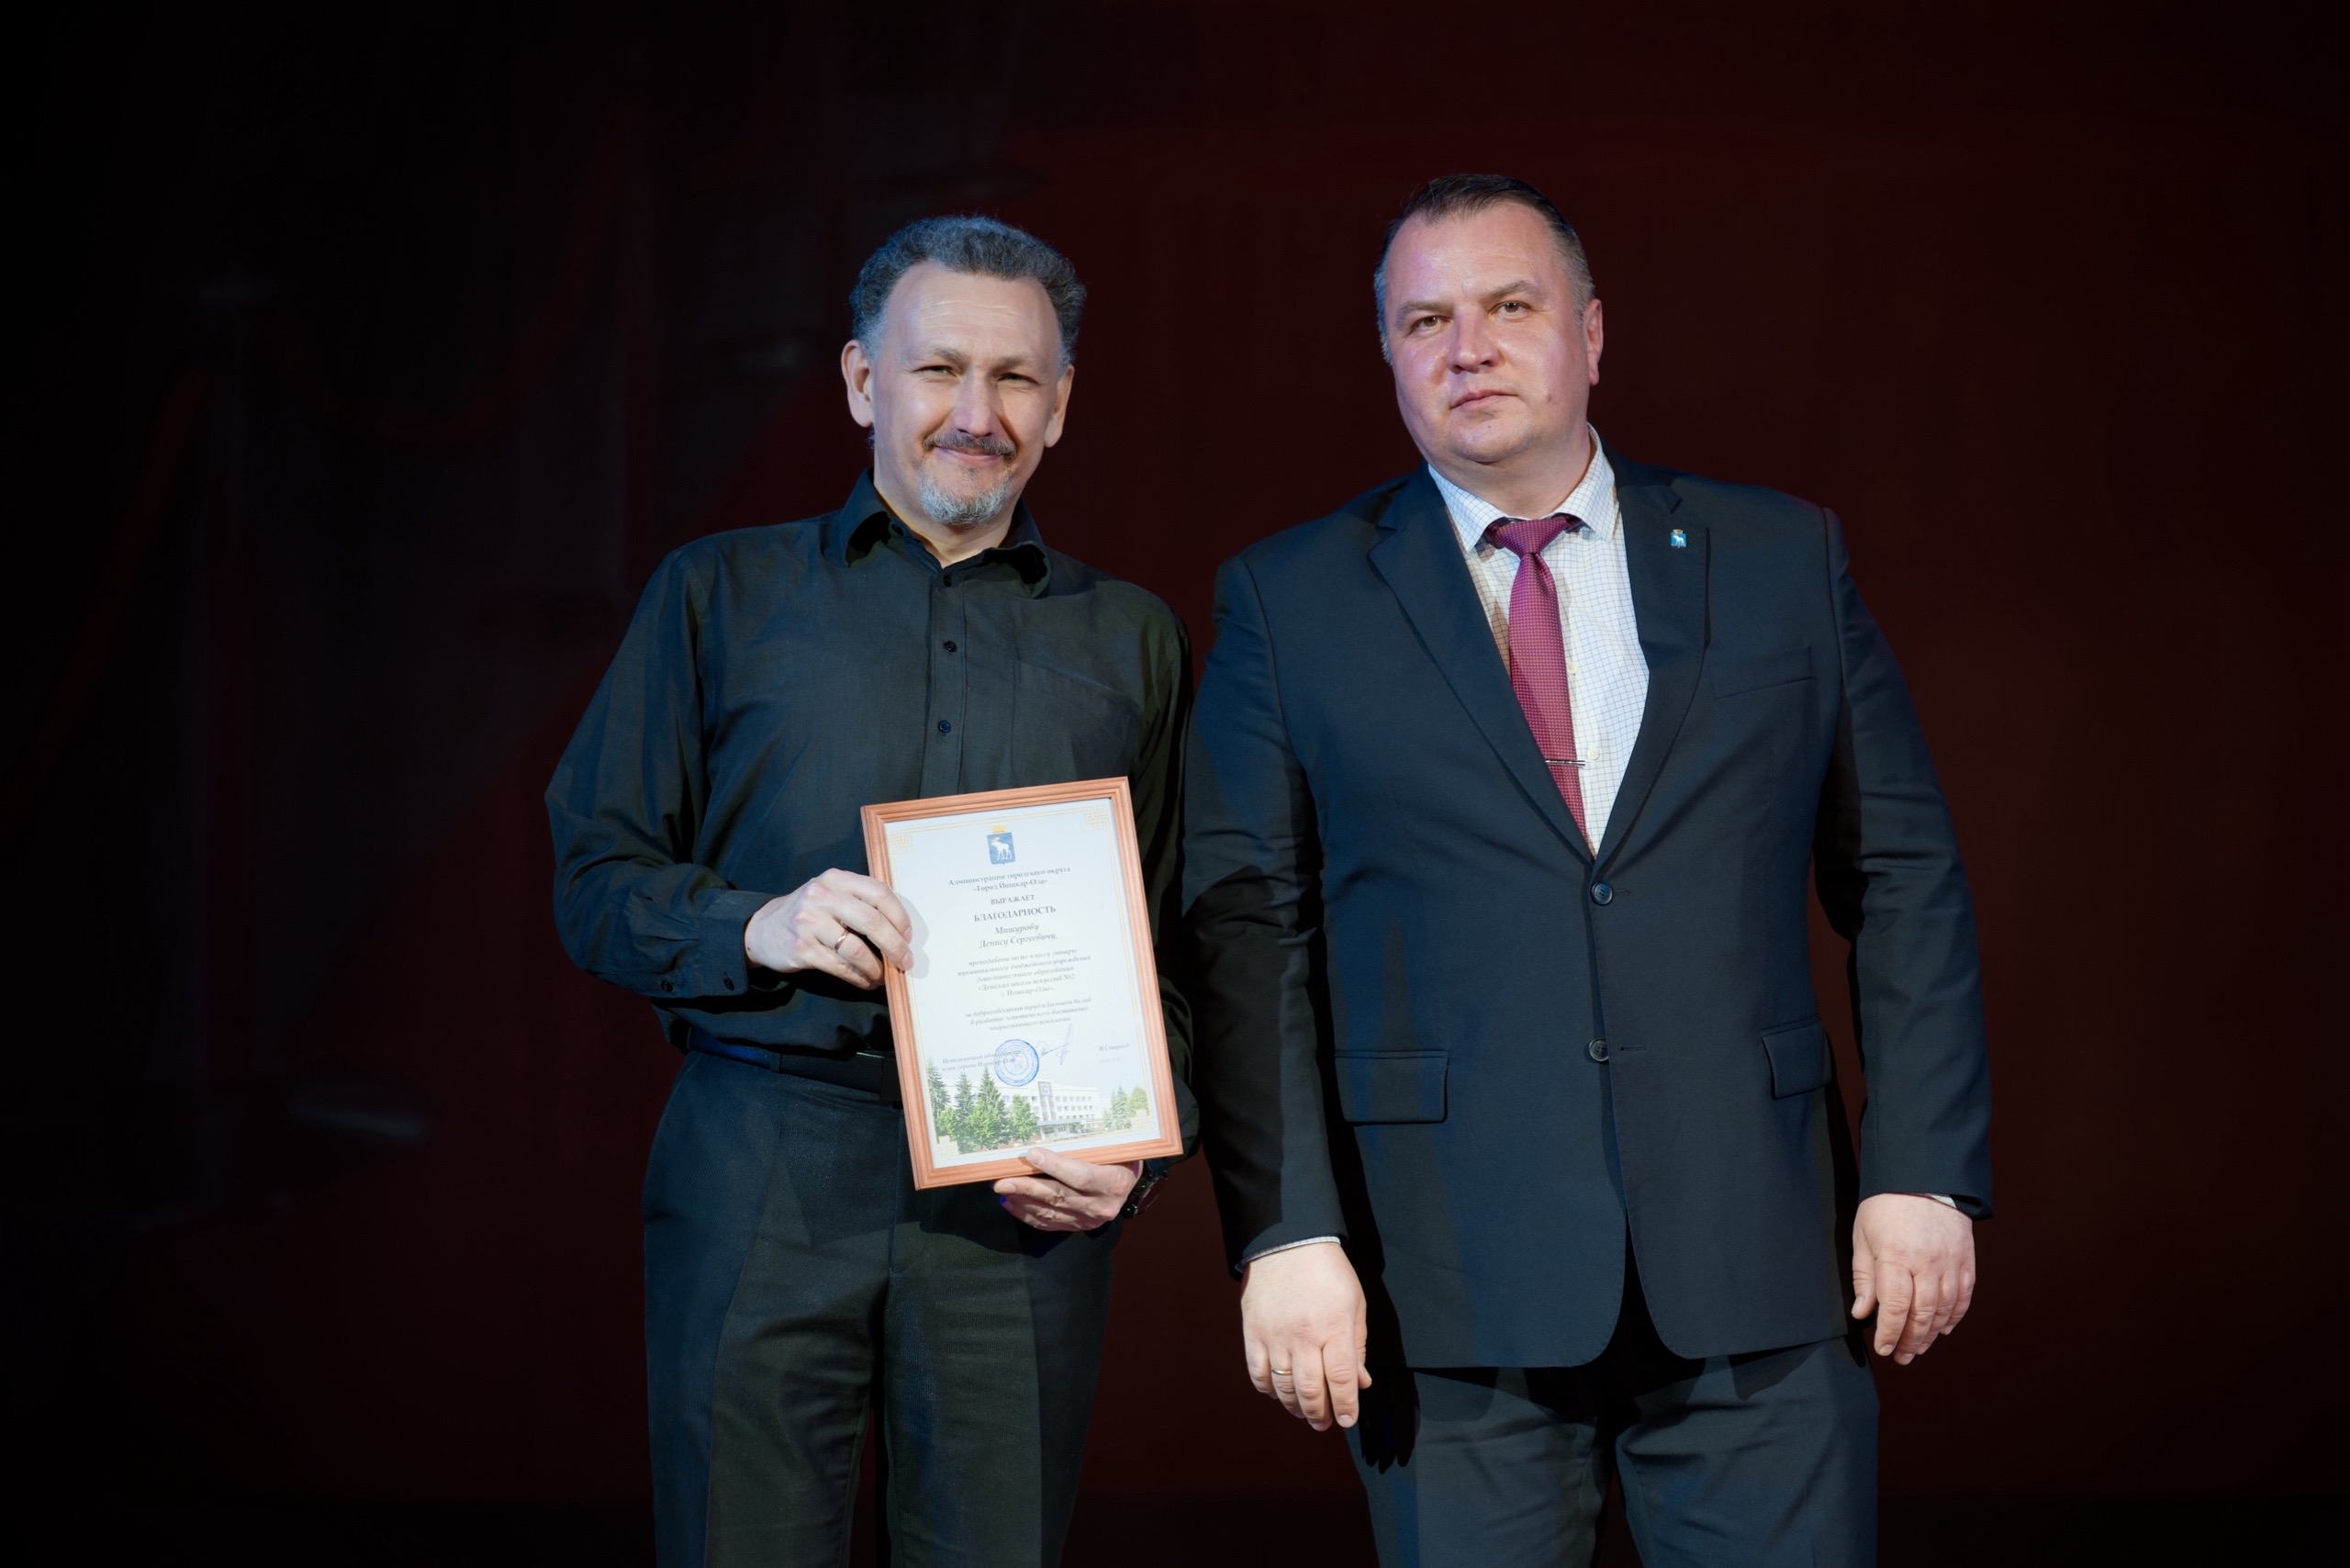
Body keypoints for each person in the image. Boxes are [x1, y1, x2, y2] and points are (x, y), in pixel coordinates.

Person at [1181, 174, 1991, 1566]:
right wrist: (1285, 1230)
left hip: (1758, 1255)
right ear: (1388, 355)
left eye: (1510, 306)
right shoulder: (1289, 597)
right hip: (1442, 1284)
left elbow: (1903, 872)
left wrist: (1923, 1168)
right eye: (1424, 321)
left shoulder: (1780, 554)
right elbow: (1249, 931)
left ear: (1593, 333)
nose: (1468, 349)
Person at [547, 215, 1191, 1567]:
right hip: (765, 1156)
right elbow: (595, 878)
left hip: (1022, 1189)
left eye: (1015, 378)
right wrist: (754, 923)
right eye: (938, 369)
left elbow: (1180, 943)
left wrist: (1134, 1152)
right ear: (861, 382)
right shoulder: (719, 595)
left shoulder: (1131, 638)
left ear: (1061, 404)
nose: (977, 414)